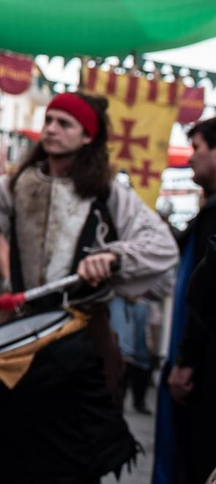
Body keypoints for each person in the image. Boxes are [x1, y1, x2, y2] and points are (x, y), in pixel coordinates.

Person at [0, 92, 180, 396]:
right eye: (48, 120)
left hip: (85, 333)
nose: (51, 128)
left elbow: (162, 246)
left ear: (88, 136)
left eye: (64, 124)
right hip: (23, 329)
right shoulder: (17, 186)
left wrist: (114, 257)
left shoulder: (110, 195)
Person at [156, 116, 216, 484]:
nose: (191, 158)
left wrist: (187, 361)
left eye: (198, 149)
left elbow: (205, 301)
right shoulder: (207, 214)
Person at [110, 295, 156, 413]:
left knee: (143, 355)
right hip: (120, 297)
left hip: (145, 301)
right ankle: (117, 402)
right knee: (123, 351)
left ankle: (138, 401)